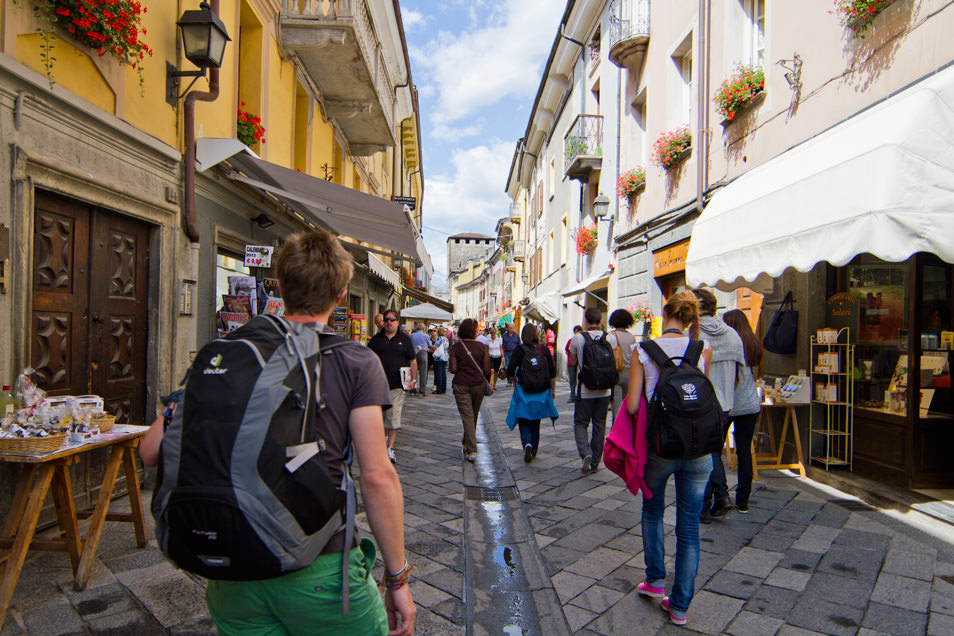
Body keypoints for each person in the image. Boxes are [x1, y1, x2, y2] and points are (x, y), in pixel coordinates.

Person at [141, 231, 416, 636]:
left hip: (233, 573)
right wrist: (397, 579)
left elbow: (150, 451)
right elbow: (377, 476)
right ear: (341, 295)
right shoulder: (356, 360)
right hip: (318, 570)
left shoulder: (225, 352)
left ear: (281, 288)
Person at [627, 290, 713, 628]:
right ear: (692, 318)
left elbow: (633, 406)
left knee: (653, 512)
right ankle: (679, 607)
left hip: (660, 447)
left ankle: (655, 580)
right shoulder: (701, 350)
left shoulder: (643, 351)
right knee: (689, 527)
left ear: (665, 313)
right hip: (698, 449)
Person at [692, 288, 746, 523]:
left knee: (704, 454)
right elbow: (738, 373)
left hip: (703, 404)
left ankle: (708, 504)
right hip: (726, 404)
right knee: (712, 451)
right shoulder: (733, 334)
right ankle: (718, 499)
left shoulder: (694, 334)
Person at [722, 310, 763, 514]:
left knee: (712, 448)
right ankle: (743, 500)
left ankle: (719, 494)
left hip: (729, 404)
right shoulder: (752, 343)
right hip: (750, 404)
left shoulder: (729, 344)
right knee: (745, 451)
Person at [368, 309, 418, 464]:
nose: (389, 322)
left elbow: (413, 361)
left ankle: (389, 447)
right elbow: (367, 359)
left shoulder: (405, 339)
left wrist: (414, 380)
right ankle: (383, 444)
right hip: (377, 384)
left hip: (398, 384)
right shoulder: (376, 339)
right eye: (386, 319)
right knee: (380, 417)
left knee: (393, 416)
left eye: (392, 319)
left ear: (397, 322)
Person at [567, 308, 611, 475]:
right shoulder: (610, 338)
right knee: (599, 425)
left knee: (580, 423)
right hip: (605, 390)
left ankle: (585, 452)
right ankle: (595, 462)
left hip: (585, 389)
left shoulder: (578, 338)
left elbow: (572, 361)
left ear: (585, 321)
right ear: (601, 321)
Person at [505, 324, 558, 463]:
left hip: (524, 390)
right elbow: (552, 372)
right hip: (541, 391)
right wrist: (553, 390)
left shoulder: (520, 350)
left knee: (524, 418)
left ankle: (527, 443)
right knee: (536, 420)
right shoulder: (544, 349)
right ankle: (533, 450)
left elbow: (510, 370)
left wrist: (514, 379)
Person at [449, 318, 491, 462]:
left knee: (467, 416)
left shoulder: (456, 347)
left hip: (461, 384)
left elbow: (453, 369)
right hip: (478, 384)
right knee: (473, 415)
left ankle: (471, 449)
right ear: (473, 331)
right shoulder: (482, 347)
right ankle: (469, 444)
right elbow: (487, 369)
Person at [606, 309, 637, 419]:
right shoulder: (632, 337)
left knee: (617, 406)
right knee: (628, 405)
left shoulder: (611, 336)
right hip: (630, 373)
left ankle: (617, 431)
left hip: (617, 372)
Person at [409, 322, 433, 397]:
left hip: (414, 354)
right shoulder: (426, 336)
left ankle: (412, 389)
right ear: (423, 329)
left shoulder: (412, 335)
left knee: (413, 371)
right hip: (423, 353)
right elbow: (430, 345)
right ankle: (422, 390)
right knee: (423, 372)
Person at [565, 325, 583, 402]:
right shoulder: (572, 341)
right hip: (576, 363)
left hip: (572, 363)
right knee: (575, 380)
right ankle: (575, 395)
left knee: (573, 380)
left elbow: (567, 351)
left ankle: (573, 395)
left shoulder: (571, 340)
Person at [501, 323, 521, 387]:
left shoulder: (516, 335)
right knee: (508, 367)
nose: (511, 329)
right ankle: (509, 381)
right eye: (509, 328)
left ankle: (514, 379)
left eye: (512, 328)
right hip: (507, 353)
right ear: (507, 328)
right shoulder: (504, 335)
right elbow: (502, 345)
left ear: (514, 328)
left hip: (515, 354)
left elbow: (519, 344)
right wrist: (502, 355)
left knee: (516, 367)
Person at [432, 327, 450, 395]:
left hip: (439, 358)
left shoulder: (439, 338)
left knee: (439, 374)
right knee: (443, 374)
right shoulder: (446, 339)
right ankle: (443, 389)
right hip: (445, 357)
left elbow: (436, 347)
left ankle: (438, 389)